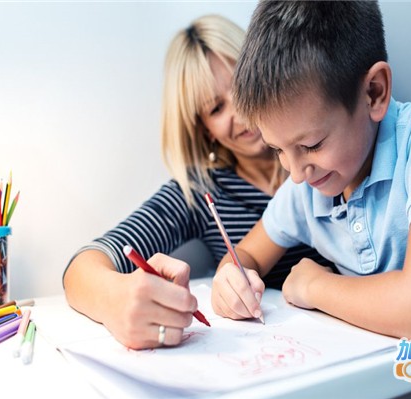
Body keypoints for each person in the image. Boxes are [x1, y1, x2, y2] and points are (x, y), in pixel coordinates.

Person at [210, 1, 411, 398]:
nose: (294, 173)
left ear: (374, 92)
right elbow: (245, 255)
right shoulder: (307, 185)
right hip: (404, 384)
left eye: (311, 144)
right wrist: (231, 278)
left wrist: (314, 286)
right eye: (278, 149)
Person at [62, 14, 331, 350]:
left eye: (242, 86)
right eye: (216, 108)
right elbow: (82, 267)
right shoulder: (198, 191)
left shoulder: (330, 152)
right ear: (204, 128)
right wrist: (115, 300)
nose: (240, 112)